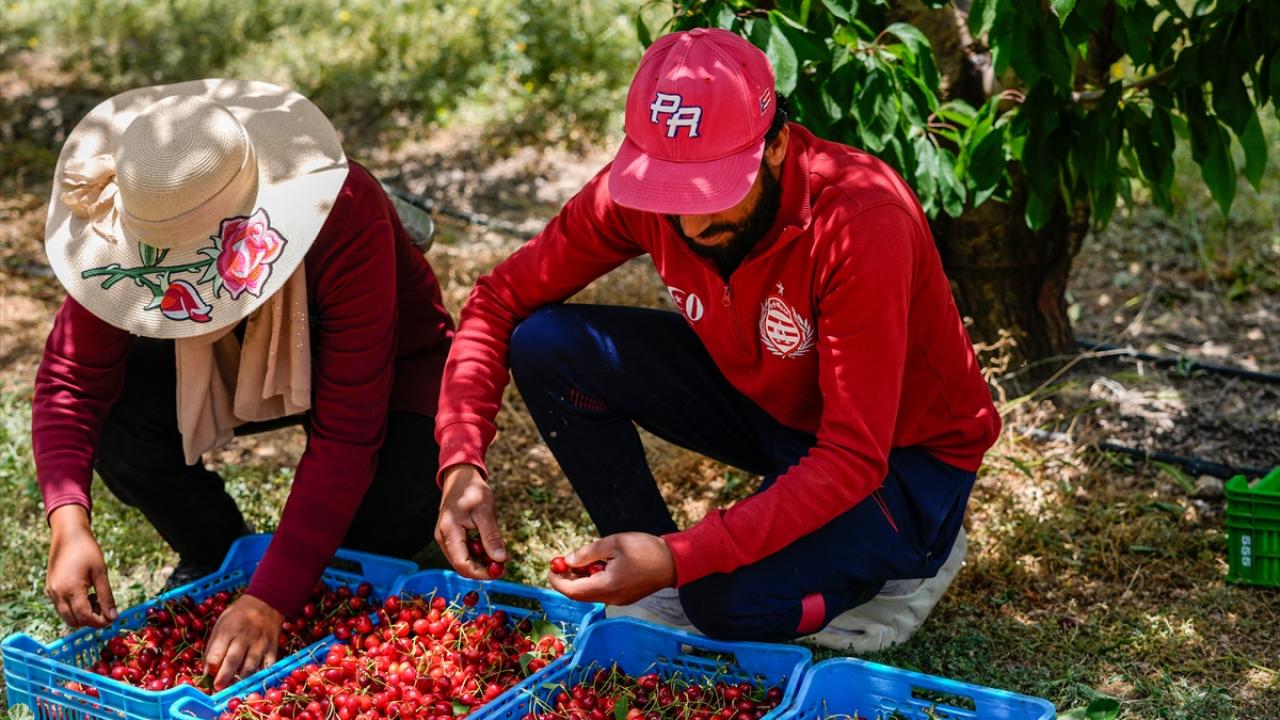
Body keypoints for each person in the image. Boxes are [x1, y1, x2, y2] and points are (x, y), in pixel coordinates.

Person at [432, 29, 1001, 651]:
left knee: (722, 605)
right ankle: (644, 570)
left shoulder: (861, 219)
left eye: (715, 188)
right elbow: (497, 299)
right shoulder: (647, 195)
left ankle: (908, 558)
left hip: (901, 458)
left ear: (778, 144)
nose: (692, 223)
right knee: (547, 345)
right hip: (780, 410)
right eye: (671, 193)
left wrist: (689, 557)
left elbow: (852, 455)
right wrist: (461, 462)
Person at [34, 79, 453, 688]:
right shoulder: (121, 230)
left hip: (389, 373)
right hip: (226, 357)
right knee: (120, 418)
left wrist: (274, 598)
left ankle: (262, 579)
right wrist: (67, 522)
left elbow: (350, 432)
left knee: (369, 547)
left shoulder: (341, 209)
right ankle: (216, 550)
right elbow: (72, 382)